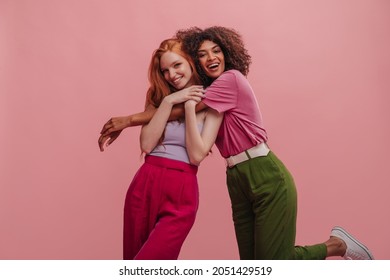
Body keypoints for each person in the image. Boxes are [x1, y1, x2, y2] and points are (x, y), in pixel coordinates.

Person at [98, 27, 374, 260]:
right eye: (203, 54)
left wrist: (129, 119)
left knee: (272, 265)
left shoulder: (230, 80)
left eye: (216, 50)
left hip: (263, 171)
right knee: (251, 267)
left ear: (226, 52)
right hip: (236, 176)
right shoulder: (199, 92)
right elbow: (171, 121)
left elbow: (189, 116)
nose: (211, 58)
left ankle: (336, 245)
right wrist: (168, 101)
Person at [118, 38, 207, 260]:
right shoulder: (158, 97)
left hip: (181, 187)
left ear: (191, 62)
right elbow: (147, 144)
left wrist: (186, 105)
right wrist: (168, 102)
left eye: (177, 65)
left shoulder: (210, 98)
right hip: (145, 182)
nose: (171, 75)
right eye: (165, 70)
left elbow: (197, 156)